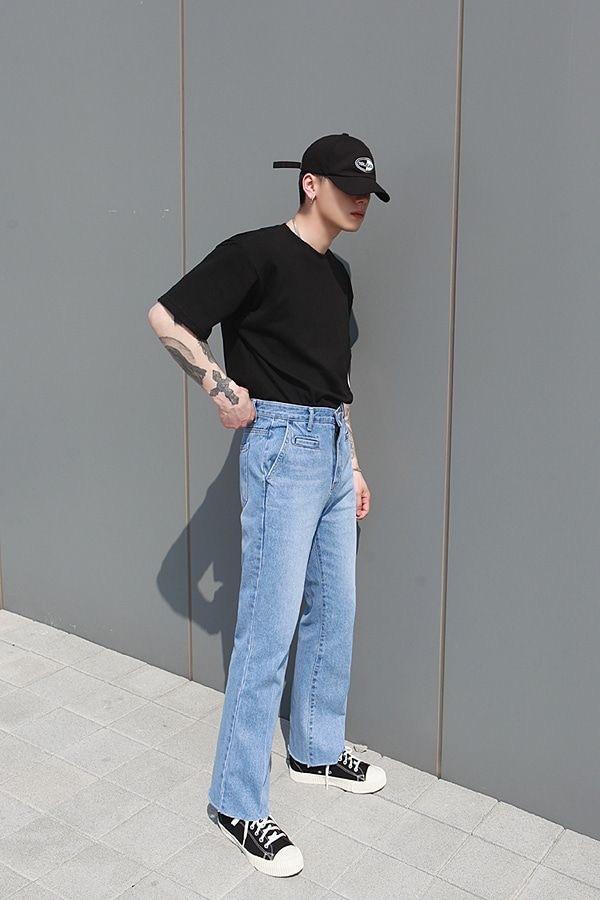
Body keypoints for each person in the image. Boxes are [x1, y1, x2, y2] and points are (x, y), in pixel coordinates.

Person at [147, 132, 390, 878]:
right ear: (310, 183)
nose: (360, 201)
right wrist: (218, 386)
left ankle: (315, 750)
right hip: (281, 448)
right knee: (268, 627)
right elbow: (165, 316)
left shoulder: (338, 274)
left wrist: (352, 464)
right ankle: (236, 800)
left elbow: (333, 382)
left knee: (334, 609)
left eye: (368, 192)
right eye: (348, 187)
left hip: (329, 449)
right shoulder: (254, 253)